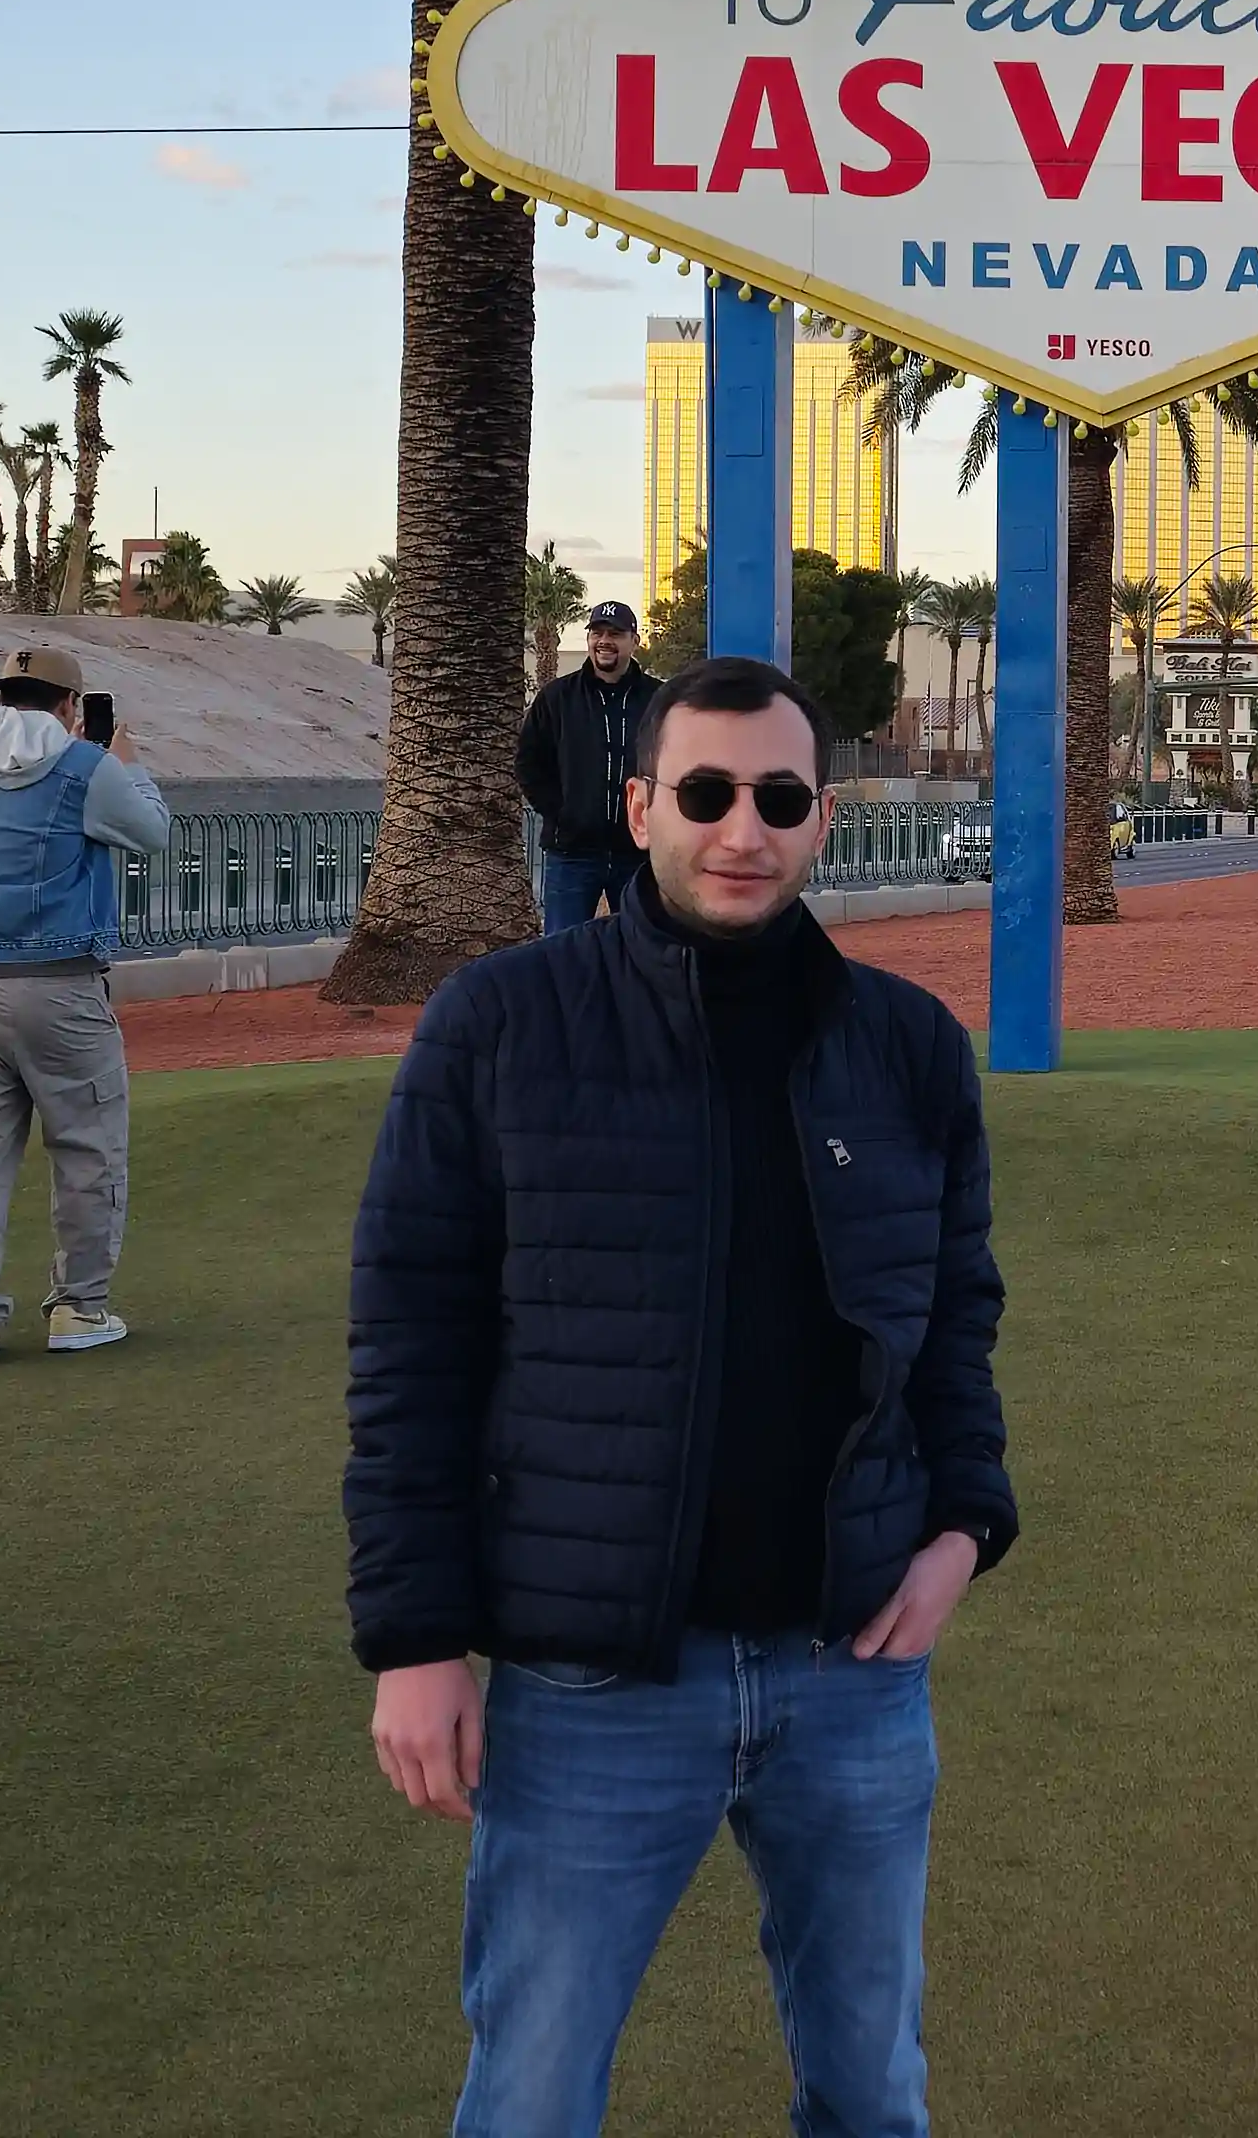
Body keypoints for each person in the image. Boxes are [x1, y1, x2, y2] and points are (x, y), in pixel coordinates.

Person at [348, 655, 1017, 2138]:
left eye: (778, 798)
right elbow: (413, 1342)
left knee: (868, 2090)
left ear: (822, 819)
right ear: (639, 807)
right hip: (591, 1686)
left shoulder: (905, 1047)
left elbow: (954, 1317)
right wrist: (414, 1638)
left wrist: (966, 1522)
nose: (742, 829)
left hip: (850, 1676)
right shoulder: (501, 1026)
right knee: (529, 2096)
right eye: (705, 793)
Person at [0, 643, 172, 1371]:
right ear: (68, 707)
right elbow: (150, 833)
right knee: (87, 1147)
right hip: (60, 984)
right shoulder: (85, 767)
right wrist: (126, 761)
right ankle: (79, 1307)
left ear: (1, 696)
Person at [516, 601, 661, 934]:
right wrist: (562, 813)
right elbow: (528, 762)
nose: (604, 640)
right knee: (561, 949)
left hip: (638, 854)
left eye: (615, 633)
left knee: (645, 945)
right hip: (572, 854)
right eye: (597, 632)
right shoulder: (557, 697)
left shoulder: (658, 699)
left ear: (634, 641)